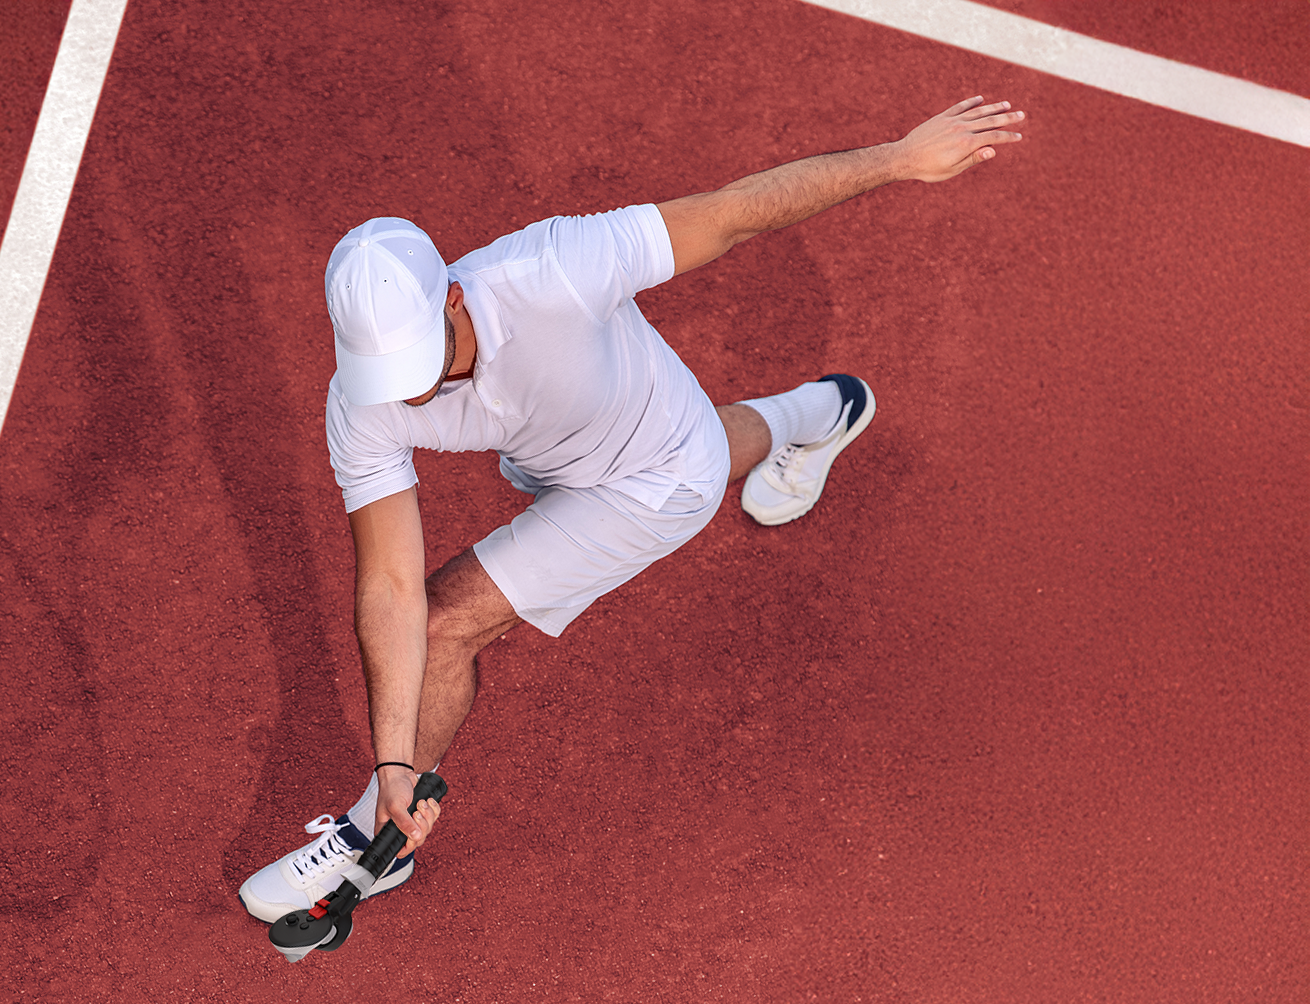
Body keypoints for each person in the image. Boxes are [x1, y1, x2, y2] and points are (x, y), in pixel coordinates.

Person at [238, 96, 1025, 923]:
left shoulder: (553, 268)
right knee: (709, 450)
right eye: (382, 371)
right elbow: (385, 582)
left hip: (657, 478)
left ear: (456, 300)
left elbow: (730, 215)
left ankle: (373, 838)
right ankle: (827, 409)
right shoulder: (359, 404)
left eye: (412, 361)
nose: (402, 390)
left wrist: (898, 157)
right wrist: (395, 752)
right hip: (581, 448)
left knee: (447, 622)